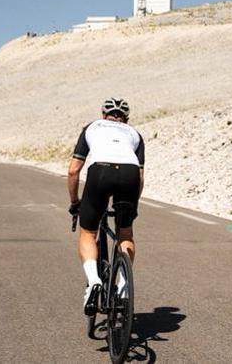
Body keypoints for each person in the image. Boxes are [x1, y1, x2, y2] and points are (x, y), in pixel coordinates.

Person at [67, 97, 145, 316]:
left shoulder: (92, 127)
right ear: (126, 119)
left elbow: (73, 171)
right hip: (129, 174)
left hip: (100, 172)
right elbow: (140, 177)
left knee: (88, 233)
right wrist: (132, 205)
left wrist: (74, 202)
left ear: (103, 115)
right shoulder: (135, 134)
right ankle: (123, 287)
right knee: (125, 233)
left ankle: (94, 281)